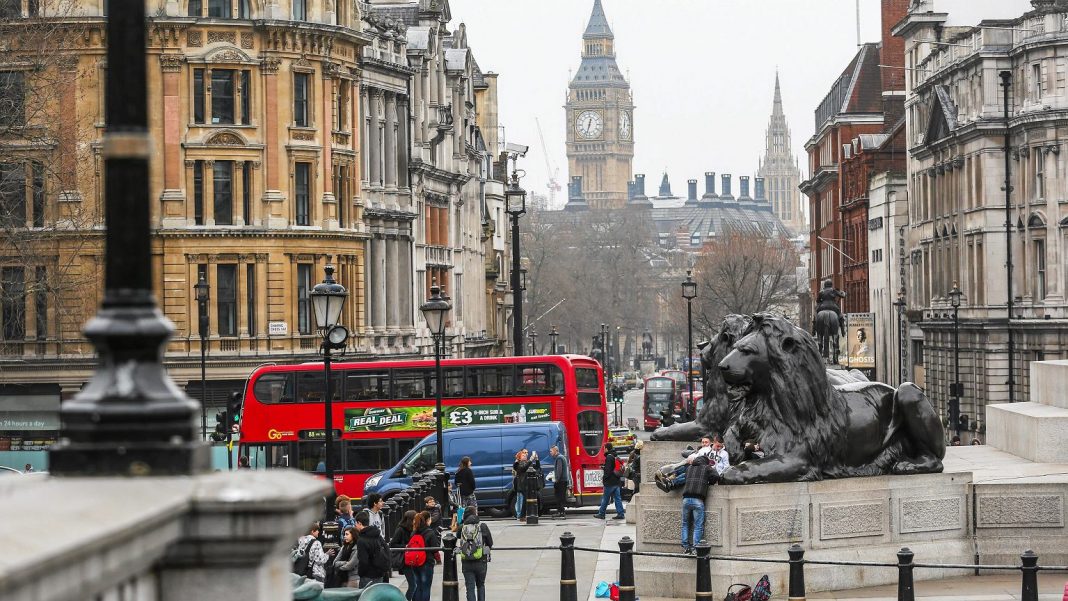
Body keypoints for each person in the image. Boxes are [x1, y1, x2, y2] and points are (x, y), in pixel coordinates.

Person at [680, 455, 719, 554]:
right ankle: (695, 548)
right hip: (698, 499)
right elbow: (716, 476)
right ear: (705, 462)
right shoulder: (706, 467)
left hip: (686, 499)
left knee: (685, 523)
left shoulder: (689, 468)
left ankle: (685, 546)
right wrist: (710, 482)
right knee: (698, 525)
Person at [458, 505, 494, 601]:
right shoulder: (482, 526)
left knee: (470, 587)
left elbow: (458, 536)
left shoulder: (462, 527)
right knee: (480, 585)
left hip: (466, 560)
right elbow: (490, 543)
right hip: (480, 560)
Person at [411, 510, 441, 601]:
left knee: (418, 585)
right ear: (428, 520)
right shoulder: (429, 532)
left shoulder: (414, 532)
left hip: (415, 562)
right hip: (426, 562)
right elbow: (435, 548)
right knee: (426, 587)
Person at [355, 510, 390, 588]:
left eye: (356, 523)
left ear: (359, 523)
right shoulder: (377, 535)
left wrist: (361, 573)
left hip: (367, 576)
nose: (355, 525)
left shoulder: (361, 540)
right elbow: (386, 548)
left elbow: (363, 561)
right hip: (380, 573)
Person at [390, 510, 418, 600]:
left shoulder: (414, 529)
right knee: (413, 584)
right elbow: (393, 544)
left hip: (413, 558)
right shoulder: (401, 530)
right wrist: (405, 546)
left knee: (415, 584)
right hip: (405, 560)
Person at [595, 443, 625, 520]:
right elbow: (613, 467)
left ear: (607, 449)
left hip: (610, 482)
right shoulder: (615, 455)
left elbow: (608, 470)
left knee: (605, 498)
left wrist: (604, 478)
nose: (603, 450)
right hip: (616, 481)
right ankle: (620, 513)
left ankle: (601, 513)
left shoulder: (608, 457)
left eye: (604, 448)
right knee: (617, 498)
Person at [549, 446, 571, 518]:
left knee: (559, 497)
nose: (550, 453)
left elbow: (559, 471)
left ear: (555, 451)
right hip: (563, 481)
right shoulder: (562, 457)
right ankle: (561, 511)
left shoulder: (559, 458)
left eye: (551, 451)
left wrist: (556, 480)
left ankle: (560, 512)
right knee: (561, 497)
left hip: (561, 481)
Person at [511, 449, 531, 521]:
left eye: (526, 453)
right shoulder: (518, 464)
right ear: (519, 457)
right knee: (520, 500)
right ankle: (520, 515)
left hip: (525, 484)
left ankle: (522, 515)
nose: (525, 455)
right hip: (520, 485)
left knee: (524, 500)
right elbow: (521, 469)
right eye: (523, 454)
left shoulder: (525, 463)